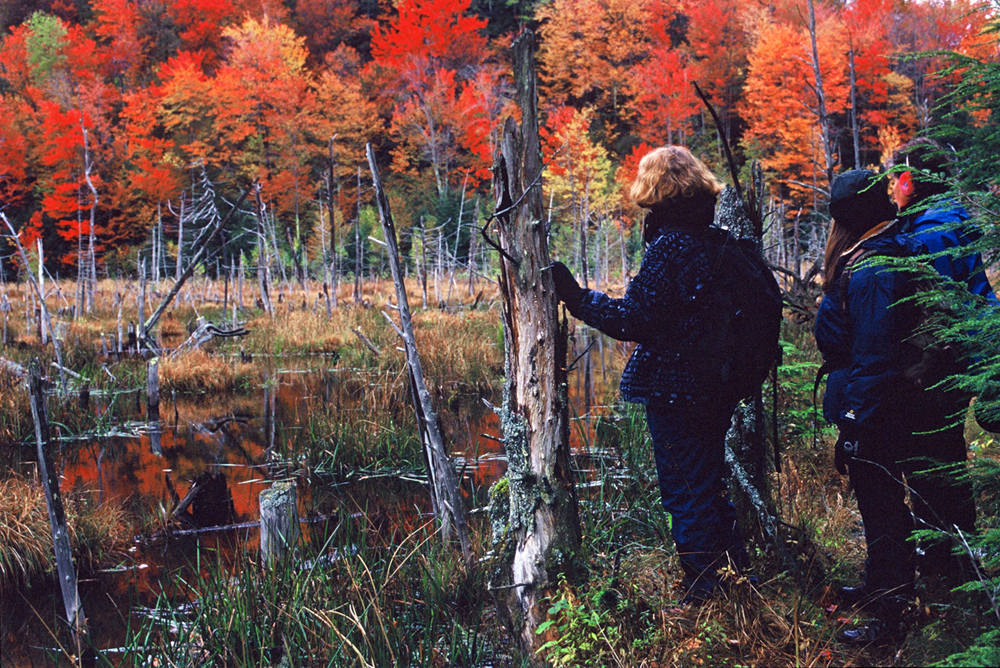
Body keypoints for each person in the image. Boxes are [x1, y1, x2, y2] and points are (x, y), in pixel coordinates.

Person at [550, 146, 751, 604]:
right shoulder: (712, 239)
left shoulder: (673, 246)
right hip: (717, 385)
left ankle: (706, 594)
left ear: (655, 188)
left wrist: (577, 298)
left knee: (686, 492)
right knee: (708, 483)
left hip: (680, 389)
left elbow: (634, 320)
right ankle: (737, 580)